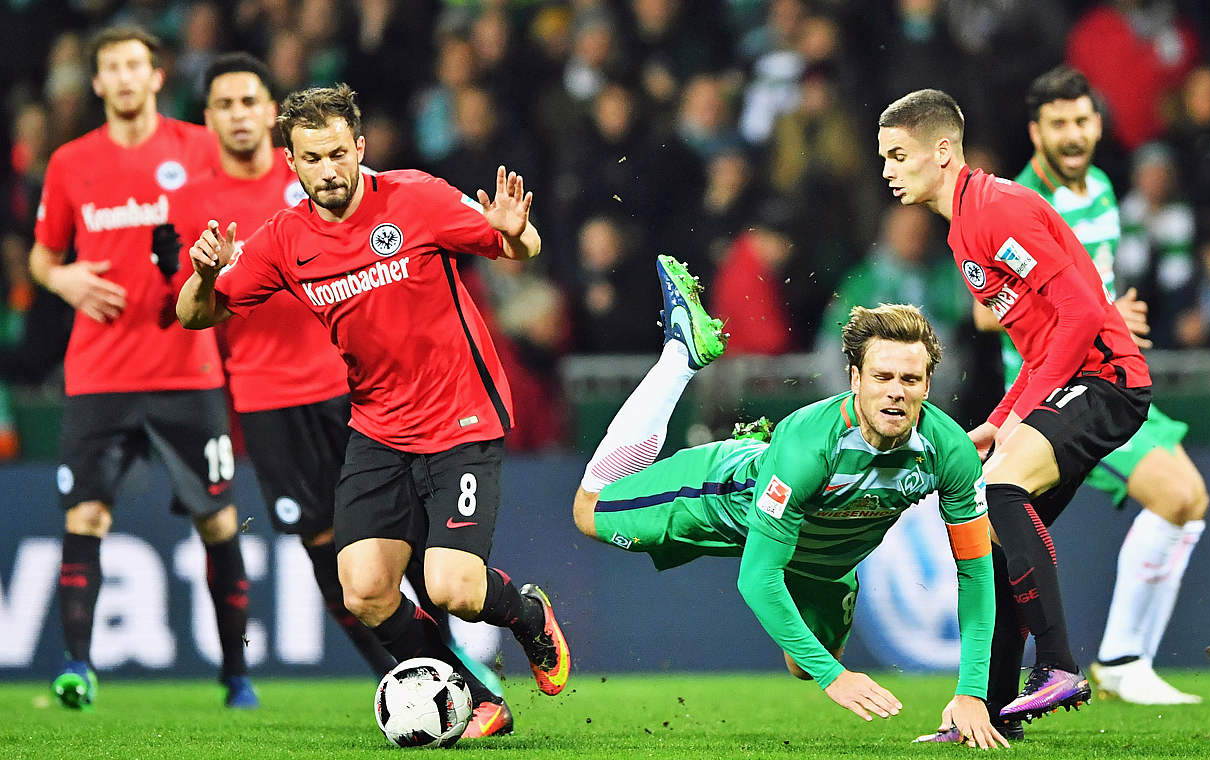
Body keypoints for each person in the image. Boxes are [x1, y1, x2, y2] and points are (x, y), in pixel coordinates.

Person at [175, 84, 569, 738]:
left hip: (460, 417)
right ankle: (477, 699)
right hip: (379, 428)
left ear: (360, 148)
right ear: (291, 163)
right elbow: (196, 314)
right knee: (360, 588)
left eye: (338, 153)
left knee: (452, 587)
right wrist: (203, 273)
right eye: (312, 158)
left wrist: (516, 231)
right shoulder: (283, 239)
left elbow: (516, 251)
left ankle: (528, 615)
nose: (328, 170)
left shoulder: (416, 198)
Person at [572, 256, 1009, 750]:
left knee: (801, 666)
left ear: (928, 386)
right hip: (725, 499)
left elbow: (976, 571)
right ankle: (680, 356)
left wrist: (972, 692)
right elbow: (757, 577)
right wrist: (835, 677)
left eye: (910, 381)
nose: (895, 393)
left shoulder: (949, 451)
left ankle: (813, 573)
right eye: (882, 377)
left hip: (824, 563)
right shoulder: (810, 445)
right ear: (855, 379)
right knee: (589, 512)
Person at [876, 88, 1152, 729]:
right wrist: (1000, 421)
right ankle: (991, 711)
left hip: (1106, 377)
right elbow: (1037, 342)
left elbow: (1083, 314)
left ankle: (1058, 666)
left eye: (897, 155)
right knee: (998, 542)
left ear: (942, 152)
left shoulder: (998, 209)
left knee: (999, 487)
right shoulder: (964, 231)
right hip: (1072, 377)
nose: (887, 170)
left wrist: (1018, 419)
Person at [28, 26, 255, 710]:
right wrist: (64, 279)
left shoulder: (198, 147)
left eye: (136, 65)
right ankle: (77, 665)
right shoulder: (71, 162)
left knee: (217, 522)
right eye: (112, 68)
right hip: (99, 373)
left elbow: (235, 237)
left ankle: (236, 675)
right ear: (97, 83)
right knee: (86, 514)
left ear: (156, 76)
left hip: (187, 368)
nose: (125, 77)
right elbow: (42, 255)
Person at [987, 66, 1207, 704]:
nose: (1073, 133)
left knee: (1190, 503)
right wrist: (1093, 313)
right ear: (1036, 131)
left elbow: (1089, 286)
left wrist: (1109, 310)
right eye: (1057, 123)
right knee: (1176, 496)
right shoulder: (1021, 200)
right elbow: (986, 303)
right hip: (1058, 387)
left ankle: (1111, 662)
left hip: (1108, 366)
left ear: (1098, 124)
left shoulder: (1104, 188)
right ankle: (1114, 659)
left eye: (1081, 119)